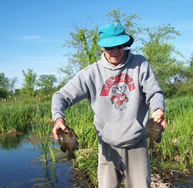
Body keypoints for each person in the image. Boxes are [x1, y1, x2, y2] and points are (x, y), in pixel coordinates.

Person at [51, 22, 166, 188]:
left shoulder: (140, 64)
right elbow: (60, 96)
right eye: (109, 47)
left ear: (125, 44)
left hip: (136, 143)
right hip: (107, 145)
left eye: (119, 46)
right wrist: (58, 118)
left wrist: (157, 109)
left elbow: (154, 92)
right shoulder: (90, 73)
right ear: (101, 47)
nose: (115, 51)